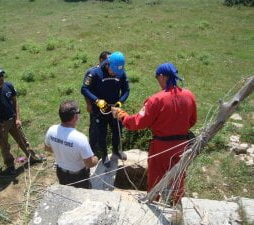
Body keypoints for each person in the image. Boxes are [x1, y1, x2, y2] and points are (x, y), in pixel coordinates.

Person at [112, 62, 197, 203]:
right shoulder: (189, 96)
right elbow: (192, 121)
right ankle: (178, 205)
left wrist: (121, 115)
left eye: (157, 78)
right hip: (181, 145)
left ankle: (153, 202)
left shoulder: (156, 100)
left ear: (162, 76)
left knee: (156, 178)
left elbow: (136, 123)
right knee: (178, 177)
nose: (158, 81)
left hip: (161, 146)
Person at [0, 67, 45, 175]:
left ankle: (32, 157)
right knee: (4, 145)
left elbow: (15, 102)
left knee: (23, 140)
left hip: (13, 120)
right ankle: (10, 166)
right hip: (0, 124)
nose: (1, 78)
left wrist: (18, 118)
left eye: (2, 75)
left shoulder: (9, 86)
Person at [81, 51, 130, 167]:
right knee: (101, 134)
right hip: (100, 110)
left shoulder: (120, 72)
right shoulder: (94, 73)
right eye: (113, 71)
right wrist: (97, 101)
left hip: (114, 110)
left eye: (117, 72)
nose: (114, 74)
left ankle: (116, 151)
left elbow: (126, 90)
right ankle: (104, 156)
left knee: (117, 132)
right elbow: (84, 89)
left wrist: (120, 102)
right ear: (107, 64)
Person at [44, 100, 98, 189]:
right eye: (78, 112)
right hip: (78, 176)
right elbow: (89, 164)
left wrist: (62, 150)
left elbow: (47, 148)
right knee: (82, 196)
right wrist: (96, 158)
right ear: (75, 117)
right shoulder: (80, 138)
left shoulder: (51, 130)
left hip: (61, 173)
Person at [83, 51, 111, 156]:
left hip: (108, 105)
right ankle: (92, 148)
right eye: (108, 60)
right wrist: (88, 104)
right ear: (101, 60)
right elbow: (86, 90)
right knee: (94, 127)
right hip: (95, 105)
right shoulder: (91, 72)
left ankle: (103, 145)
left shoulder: (110, 71)